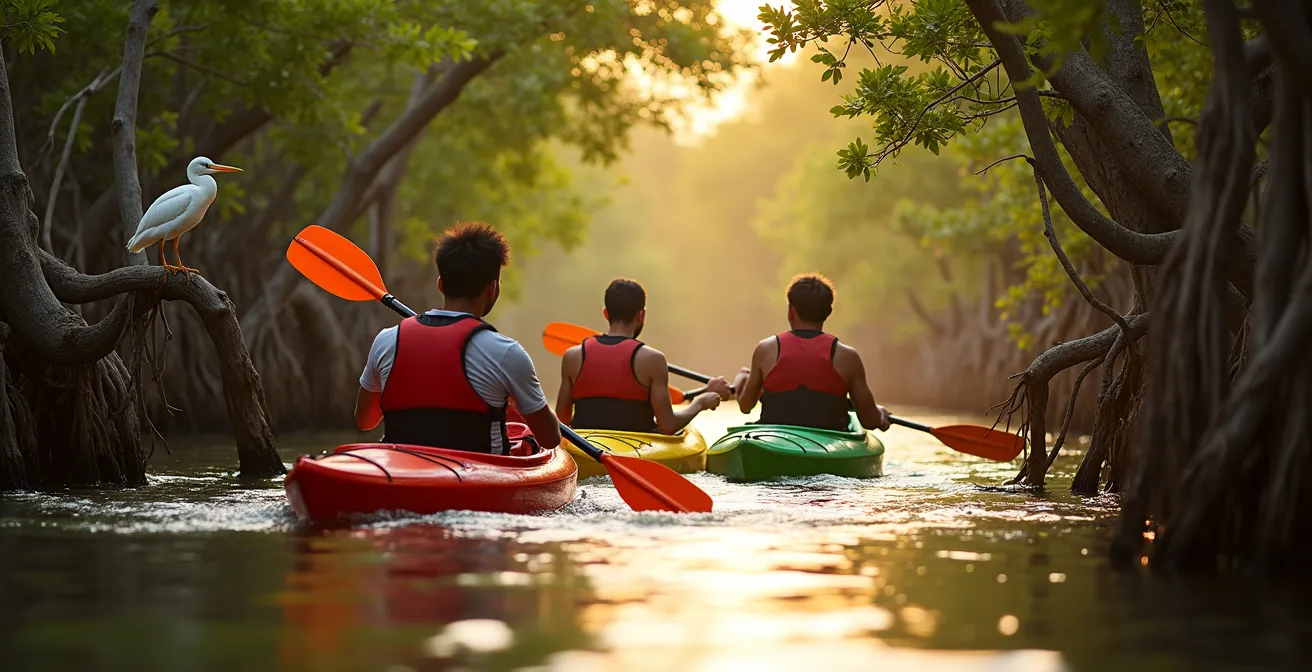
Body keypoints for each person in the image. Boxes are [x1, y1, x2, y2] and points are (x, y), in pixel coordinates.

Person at [354, 222, 561, 454]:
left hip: (400, 466)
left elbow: (365, 421)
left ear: (441, 285)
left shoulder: (386, 340)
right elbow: (551, 438)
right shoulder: (506, 353)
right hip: (482, 470)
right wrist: (520, 400)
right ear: (492, 288)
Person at [555, 278, 731, 434]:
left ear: (606, 314)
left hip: (584, 448)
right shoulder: (653, 359)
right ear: (641, 315)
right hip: (636, 450)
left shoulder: (573, 356)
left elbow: (561, 421)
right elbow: (668, 425)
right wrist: (700, 403)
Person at [732, 273, 891, 432]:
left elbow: (745, 406)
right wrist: (880, 415)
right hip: (829, 440)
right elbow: (870, 421)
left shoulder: (766, 349)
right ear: (828, 312)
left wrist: (741, 381)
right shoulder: (847, 357)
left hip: (775, 437)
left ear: (791, 311)